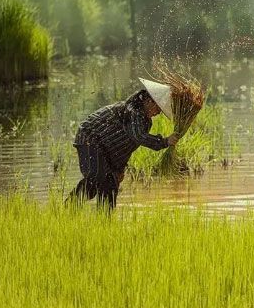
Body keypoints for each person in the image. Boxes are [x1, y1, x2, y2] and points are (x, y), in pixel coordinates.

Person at [70, 78, 180, 209]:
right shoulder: (133, 110)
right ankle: (69, 208)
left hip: (105, 148)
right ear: (149, 101)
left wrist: (119, 169)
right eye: (158, 108)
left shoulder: (145, 121)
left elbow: (127, 147)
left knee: (110, 184)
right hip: (89, 138)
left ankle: (104, 221)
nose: (158, 113)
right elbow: (138, 137)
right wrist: (165, 141)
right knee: (97, 179)